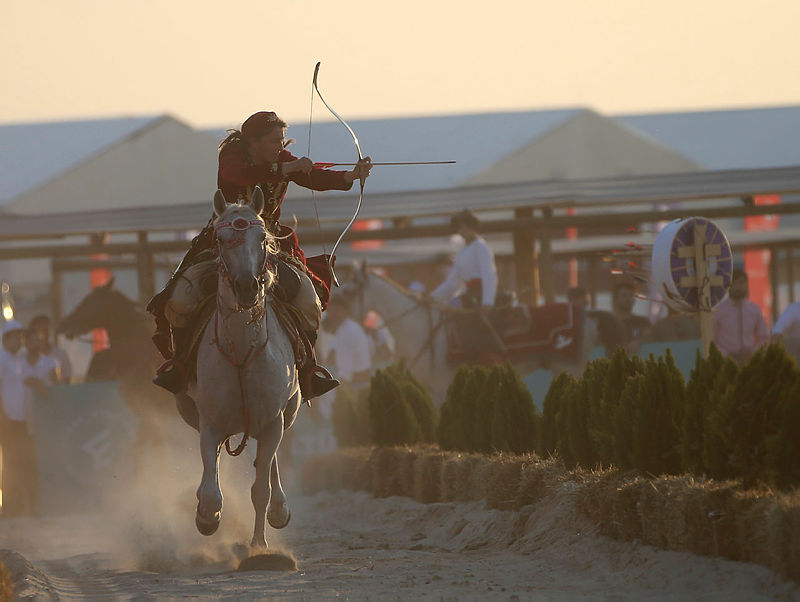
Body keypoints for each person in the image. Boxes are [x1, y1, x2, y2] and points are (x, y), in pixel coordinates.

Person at [146, 111, 372, 398]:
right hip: (225, 239)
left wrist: (349, 175)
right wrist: (288, 169)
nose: (280, 146)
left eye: (281, 139)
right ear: (254, 141)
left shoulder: (283, 160)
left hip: (270, 242)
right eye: (274, 140)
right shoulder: (232, 156)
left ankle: (309, 369)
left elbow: (312, 176)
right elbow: (240, 175)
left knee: (307, 297)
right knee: (180, 294)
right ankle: (177, 366)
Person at [0, 320, 36, 516]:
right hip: (8, 421)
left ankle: (20, 506)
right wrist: (2, 415)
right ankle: (9, 507)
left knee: (22, 461)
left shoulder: (18, 360)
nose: (19, 340)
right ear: (6, 338)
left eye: (21, 337)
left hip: (21, 420)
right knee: (11, 464)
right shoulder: (2, 358)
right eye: (16, 337)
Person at [431, 209, 498, 309]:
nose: (463, 231)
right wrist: (433, 297)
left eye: (466, 227)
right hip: (470, 296)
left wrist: (487, 302)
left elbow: (489, 276)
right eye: (460, 228)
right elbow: (453, 282)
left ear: (474, 228)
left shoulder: (481, 246)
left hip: (481, 296)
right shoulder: (461, 252)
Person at [712, 268, 769, 365]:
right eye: (734, 283)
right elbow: (713, 340)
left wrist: (753, 352)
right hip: (726, 363)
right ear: (729, 286)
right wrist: (727, 355)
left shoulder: (754, 309)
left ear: (746, 284)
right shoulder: (719, 311)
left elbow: (764, 337)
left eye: (741, 283)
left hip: (751, 361)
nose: (738, 287)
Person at [28, 315, 71, 383]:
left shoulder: (61, 355)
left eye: (46, 330)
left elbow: (67, 381)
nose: (43, 334)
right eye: (39, 331)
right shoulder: (22, 359)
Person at [612, 280, 651, 352]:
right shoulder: (609, 323)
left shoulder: (642, 322)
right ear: (616, 299)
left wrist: (640, 342)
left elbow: (650, 337)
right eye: (623, 295)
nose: (628, 299)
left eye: (630, 295)